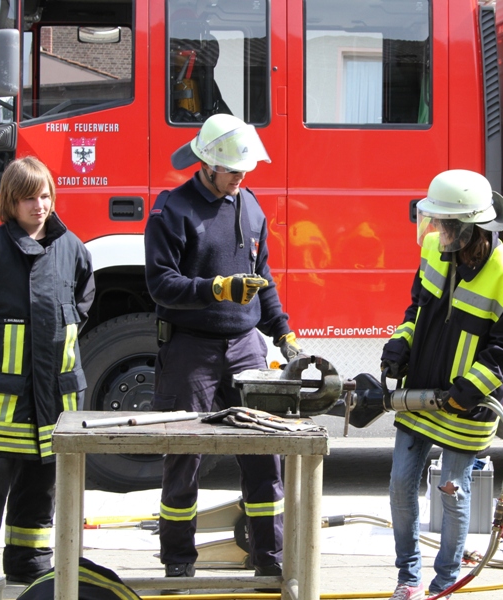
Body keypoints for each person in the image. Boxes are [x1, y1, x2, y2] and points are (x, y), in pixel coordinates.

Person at [144, 113, 303, 585]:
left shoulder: (250, 207)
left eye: (245, 170)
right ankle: (178, 560)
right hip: (190, 350)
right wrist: (216, 289)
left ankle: (269, 556)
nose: (241, 178)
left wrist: (284, 333)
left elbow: (262, 279)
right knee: (183, 454)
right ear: (208, 164)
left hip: (246, 348)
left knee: (264, 453)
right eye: (233, 170)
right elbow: (160, 285)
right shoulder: (172, 211)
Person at [380, 170, 503, 600]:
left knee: (453, 491)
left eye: (445, 223)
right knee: (399, 484)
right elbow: (417, 310)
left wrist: (465, 393)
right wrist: (400, 345)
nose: (436, 229)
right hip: (419, 395)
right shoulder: (434, 250)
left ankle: (445, 582)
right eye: (434, 220)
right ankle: (408, 578)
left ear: (471, 228)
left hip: (467, 408)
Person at [0, 156, 95, 582]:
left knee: (41, 485)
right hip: (2, 400)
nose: (39, 205)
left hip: (55, 400)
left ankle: (29, 564)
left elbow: (81, 309)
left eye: (44, 195)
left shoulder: (72, 249)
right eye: (29, 198)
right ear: (10, 202)